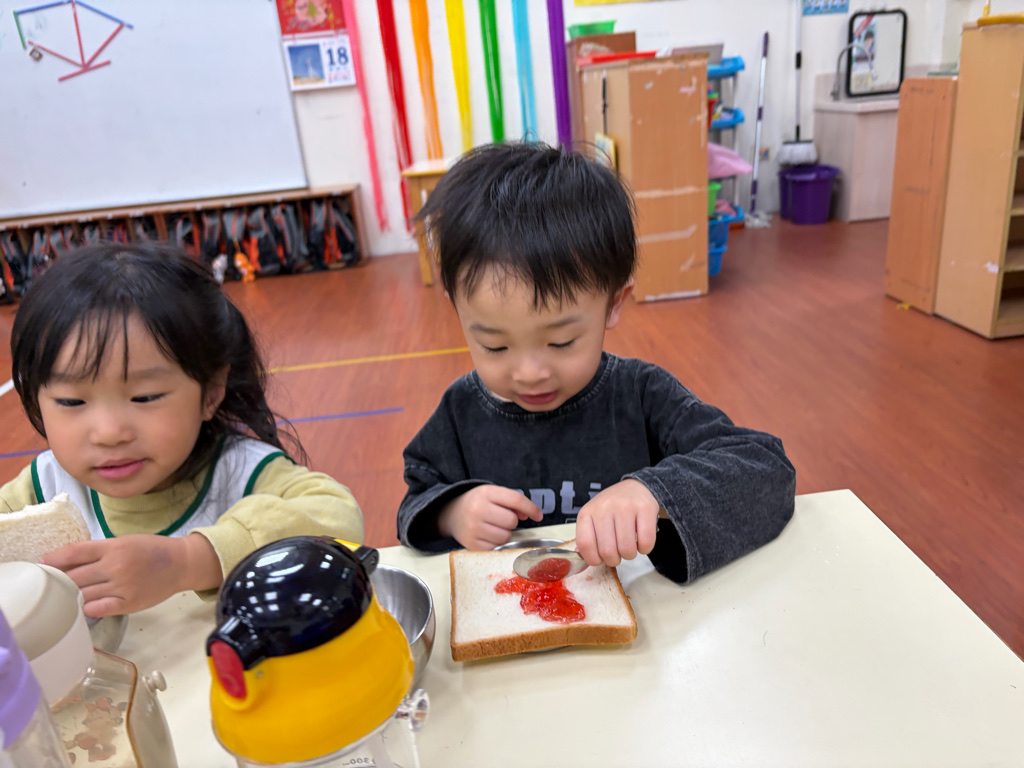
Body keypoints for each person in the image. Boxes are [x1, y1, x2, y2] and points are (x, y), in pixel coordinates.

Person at [397, 143, 796, 583]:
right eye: (495, 346)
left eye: (562, 341)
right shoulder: (460, 412)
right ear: (457, 310)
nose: (530, 373)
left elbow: (766, 469)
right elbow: (416, 501)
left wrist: (653, 492)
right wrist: (451, 513)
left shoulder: (640, 396)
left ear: (613, 303)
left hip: (644, 615)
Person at [0, 243, 363, 616]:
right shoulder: (44, 487)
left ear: (211, 392)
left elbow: (338, 517)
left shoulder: (242, 474)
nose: (109, 433)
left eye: (144, 397)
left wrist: (189, 561)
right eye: (72, 402)